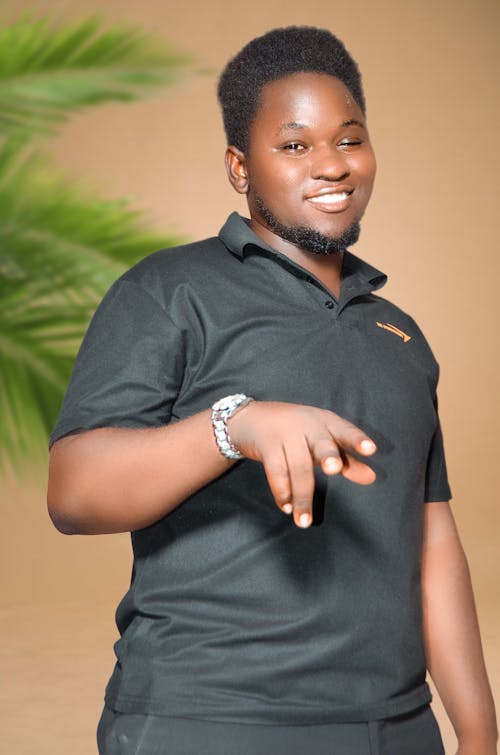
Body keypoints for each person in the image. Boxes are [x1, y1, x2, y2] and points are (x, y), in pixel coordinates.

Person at [47, 26, 497, 755]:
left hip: (395, 727)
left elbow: (433, 541)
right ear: (239, 166)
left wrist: (476, 730)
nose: (331, 165)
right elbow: (72, 491)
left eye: (349, 139)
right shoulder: (168, 291)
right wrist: (234, 426)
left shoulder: (402, 336)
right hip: (208, 719)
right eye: (294, 145)